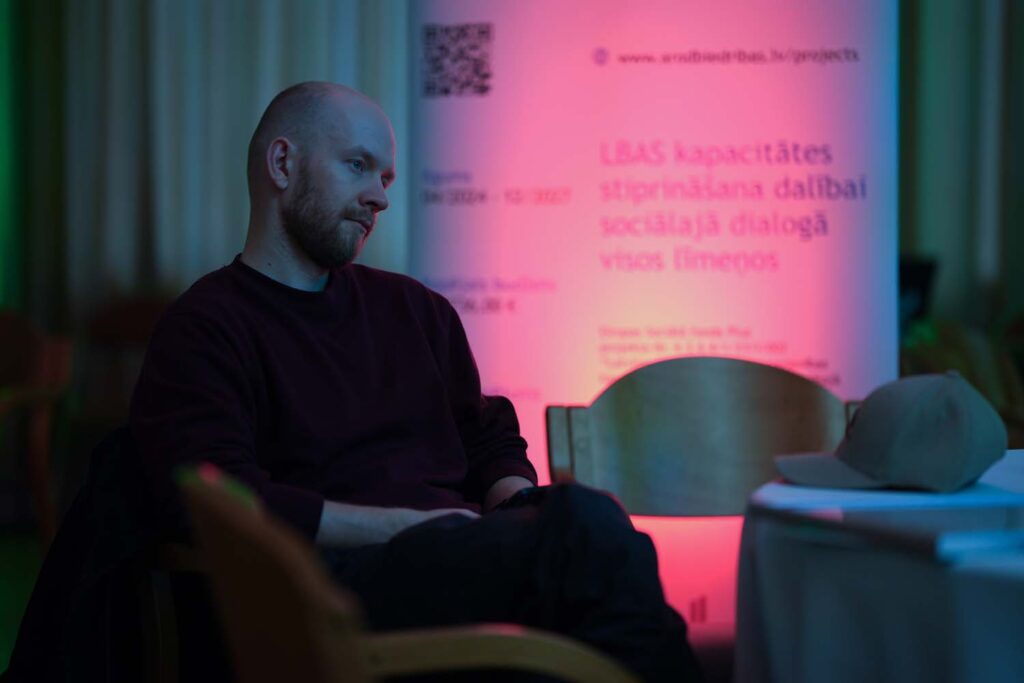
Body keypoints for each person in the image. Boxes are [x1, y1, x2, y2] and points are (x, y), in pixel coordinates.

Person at [129, 81, 702, 682]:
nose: (379, 198)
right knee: (587, 539)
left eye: (386, 179)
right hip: (330, 584)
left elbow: (488, 436)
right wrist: (411, 524)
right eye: (358, 166)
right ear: (282, 164)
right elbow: (217, 501)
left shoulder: (416, 311)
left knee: (589, 526)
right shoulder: (206, 328)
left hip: (459, 557)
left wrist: (512, 503)